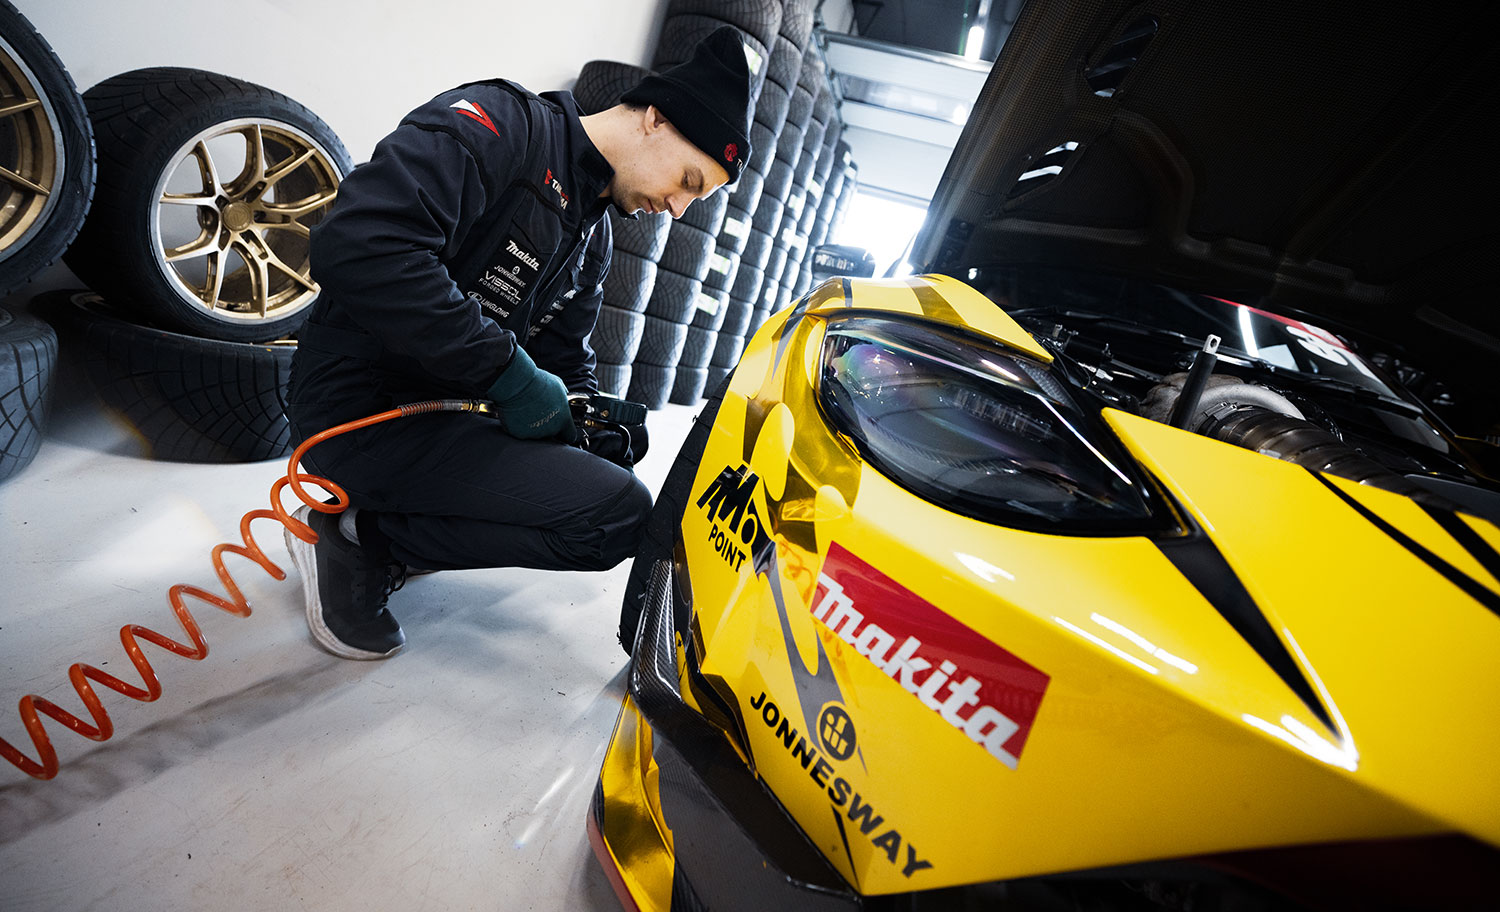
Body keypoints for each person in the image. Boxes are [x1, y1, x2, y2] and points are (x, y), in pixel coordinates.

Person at [282, 28, 755, 660]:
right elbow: (360, 246)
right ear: (655, 119)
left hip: (449, 411)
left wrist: (589, 416)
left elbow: (562, 357)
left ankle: (391, 525)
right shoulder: (501, 126)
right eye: (689, 180)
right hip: (359, 407)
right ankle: (356, 537)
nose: (677, 208)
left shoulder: (593, 235)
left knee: (612, 500)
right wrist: (506, 372)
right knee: (616, 510)